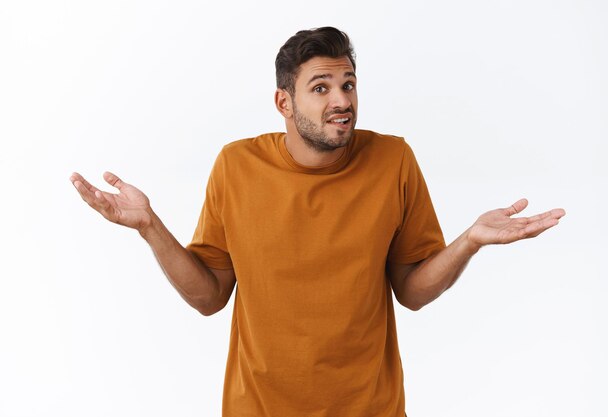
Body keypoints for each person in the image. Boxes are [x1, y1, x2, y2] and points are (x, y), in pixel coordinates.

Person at [70, 27, 565, 417]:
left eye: (348, 84)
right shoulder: (236, 167)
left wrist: (470, 240)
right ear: (284, 103)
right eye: (321, 88)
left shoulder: (393, 160)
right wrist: (150, 227)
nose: (342, 101)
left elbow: (412, 291)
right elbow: (210, 296)